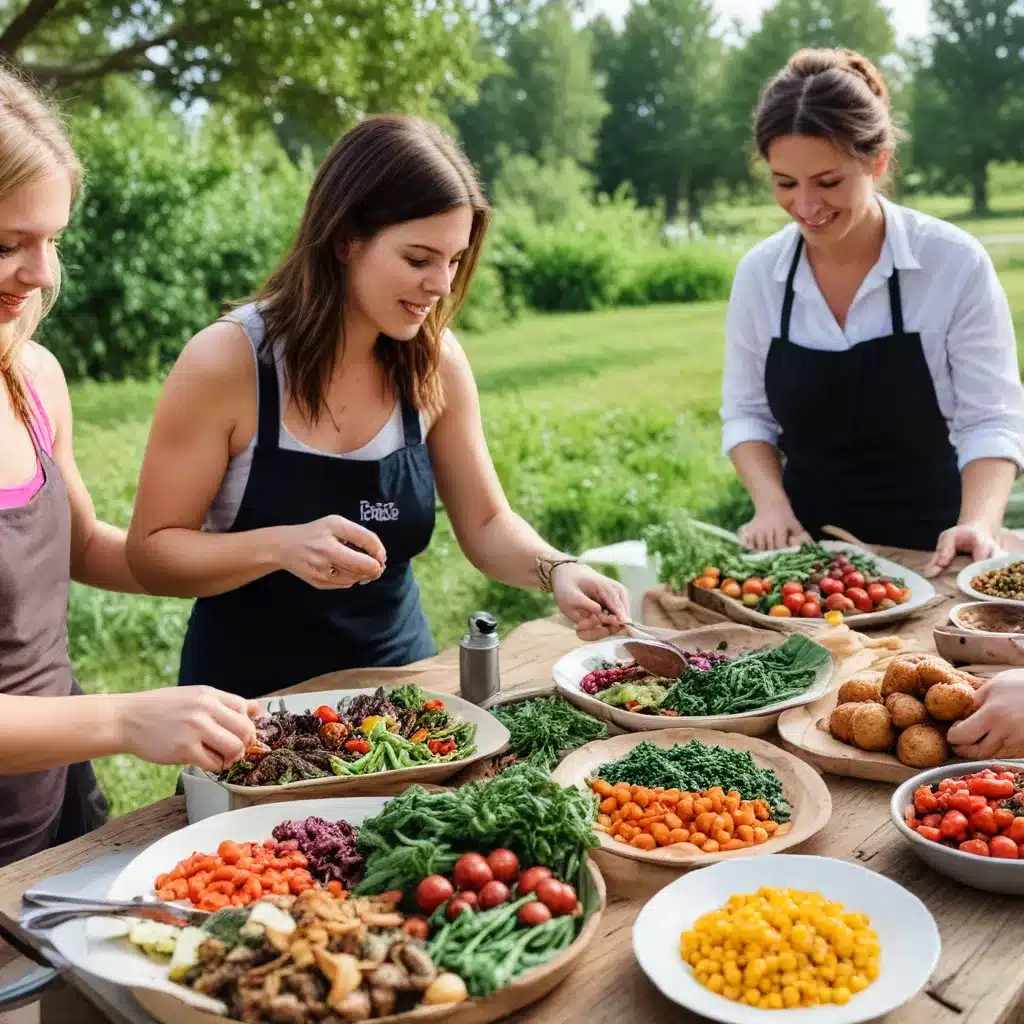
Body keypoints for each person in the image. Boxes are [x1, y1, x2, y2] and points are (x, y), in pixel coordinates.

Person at [125, 115, 629, 699]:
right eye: (418, 260)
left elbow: (488, 523)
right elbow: (152, 554)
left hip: (402, 697)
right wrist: (280, 546)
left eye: (455, 261)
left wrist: (558, 569)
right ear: (345, 239)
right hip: (245, 705)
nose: (441, 284)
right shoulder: (229, 362)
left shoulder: (436, 361)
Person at [0, 67, 259, 866]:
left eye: (53, 241)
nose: (43, 274)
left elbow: (84, 549)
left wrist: (266, 551)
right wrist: (125, 719)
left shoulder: (32, 378)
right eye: (8, 243)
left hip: (51, 801)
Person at [719, 48, 1024, 577]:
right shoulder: (760, 276)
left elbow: (991, 418)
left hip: (940, 550)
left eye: (829, 182)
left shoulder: (951, 263)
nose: (806, 206)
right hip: (808, 566)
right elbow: (746, 415)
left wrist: (978, 522)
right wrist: (770, 504)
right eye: (785, 183)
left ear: (877, 161)